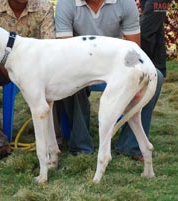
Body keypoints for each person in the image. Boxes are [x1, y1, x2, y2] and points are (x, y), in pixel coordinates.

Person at [54, 0, 164, 161]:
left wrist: (135, 82)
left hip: (117, 64)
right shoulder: (66, 4)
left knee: (156, 77)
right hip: (79, 63)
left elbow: (134, 49)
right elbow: (64, 53)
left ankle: (130, 145)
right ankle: (81, 146)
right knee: (66, 77)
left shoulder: (125, 3)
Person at [0, 0, 55, 162]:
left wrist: (25, 73)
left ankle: (54, 141)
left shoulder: (44, 6)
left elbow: (50, 46)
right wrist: (8, 70)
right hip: (1, 66)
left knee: (59, 76)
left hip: (38, 69)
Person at [116, 0, 170, 161]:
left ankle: (130, 143)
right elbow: (146, 30)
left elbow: (148, 28)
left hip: (140, 55)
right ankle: (129, 144)